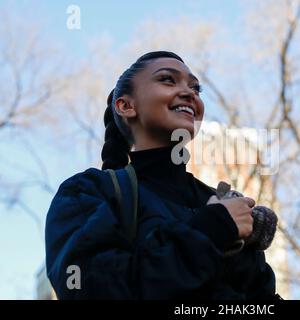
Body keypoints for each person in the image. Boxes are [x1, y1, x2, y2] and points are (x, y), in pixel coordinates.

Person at [45, 51, 278, 299]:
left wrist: (246, 249)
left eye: (196, 88)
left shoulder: (218, 201)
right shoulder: (88, 192)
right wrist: (212, 230)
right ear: (126, 105)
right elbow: (89, 289)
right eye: (168, 79)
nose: (190, 93)